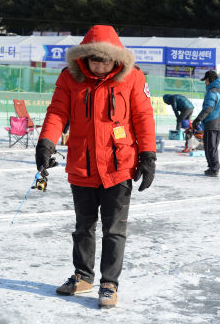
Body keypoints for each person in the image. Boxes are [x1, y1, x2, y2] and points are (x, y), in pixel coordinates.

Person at [35, 25, 156, 308]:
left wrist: (148, 156)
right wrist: (46, 143)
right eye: (94, 59)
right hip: (82, 166)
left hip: (120, 166)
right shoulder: (69, 79)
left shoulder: (133, 78)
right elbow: (57, 113)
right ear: (84, 58)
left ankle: (109, 283)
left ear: (116, 60)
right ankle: (83, 275)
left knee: (114, 229)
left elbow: (143, 117)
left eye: (105, 59)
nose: (100, 65)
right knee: (83, 227)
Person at [192, 70, 220, 177]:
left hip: (212, 122)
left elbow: (208, 107)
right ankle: (214, 167)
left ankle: (214, 168)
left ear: (209, 80)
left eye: (206, 80)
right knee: (213, 146)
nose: (205, 83)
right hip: (217, 122)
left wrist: (198, 119)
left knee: (210, 147)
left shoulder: (212, 92)